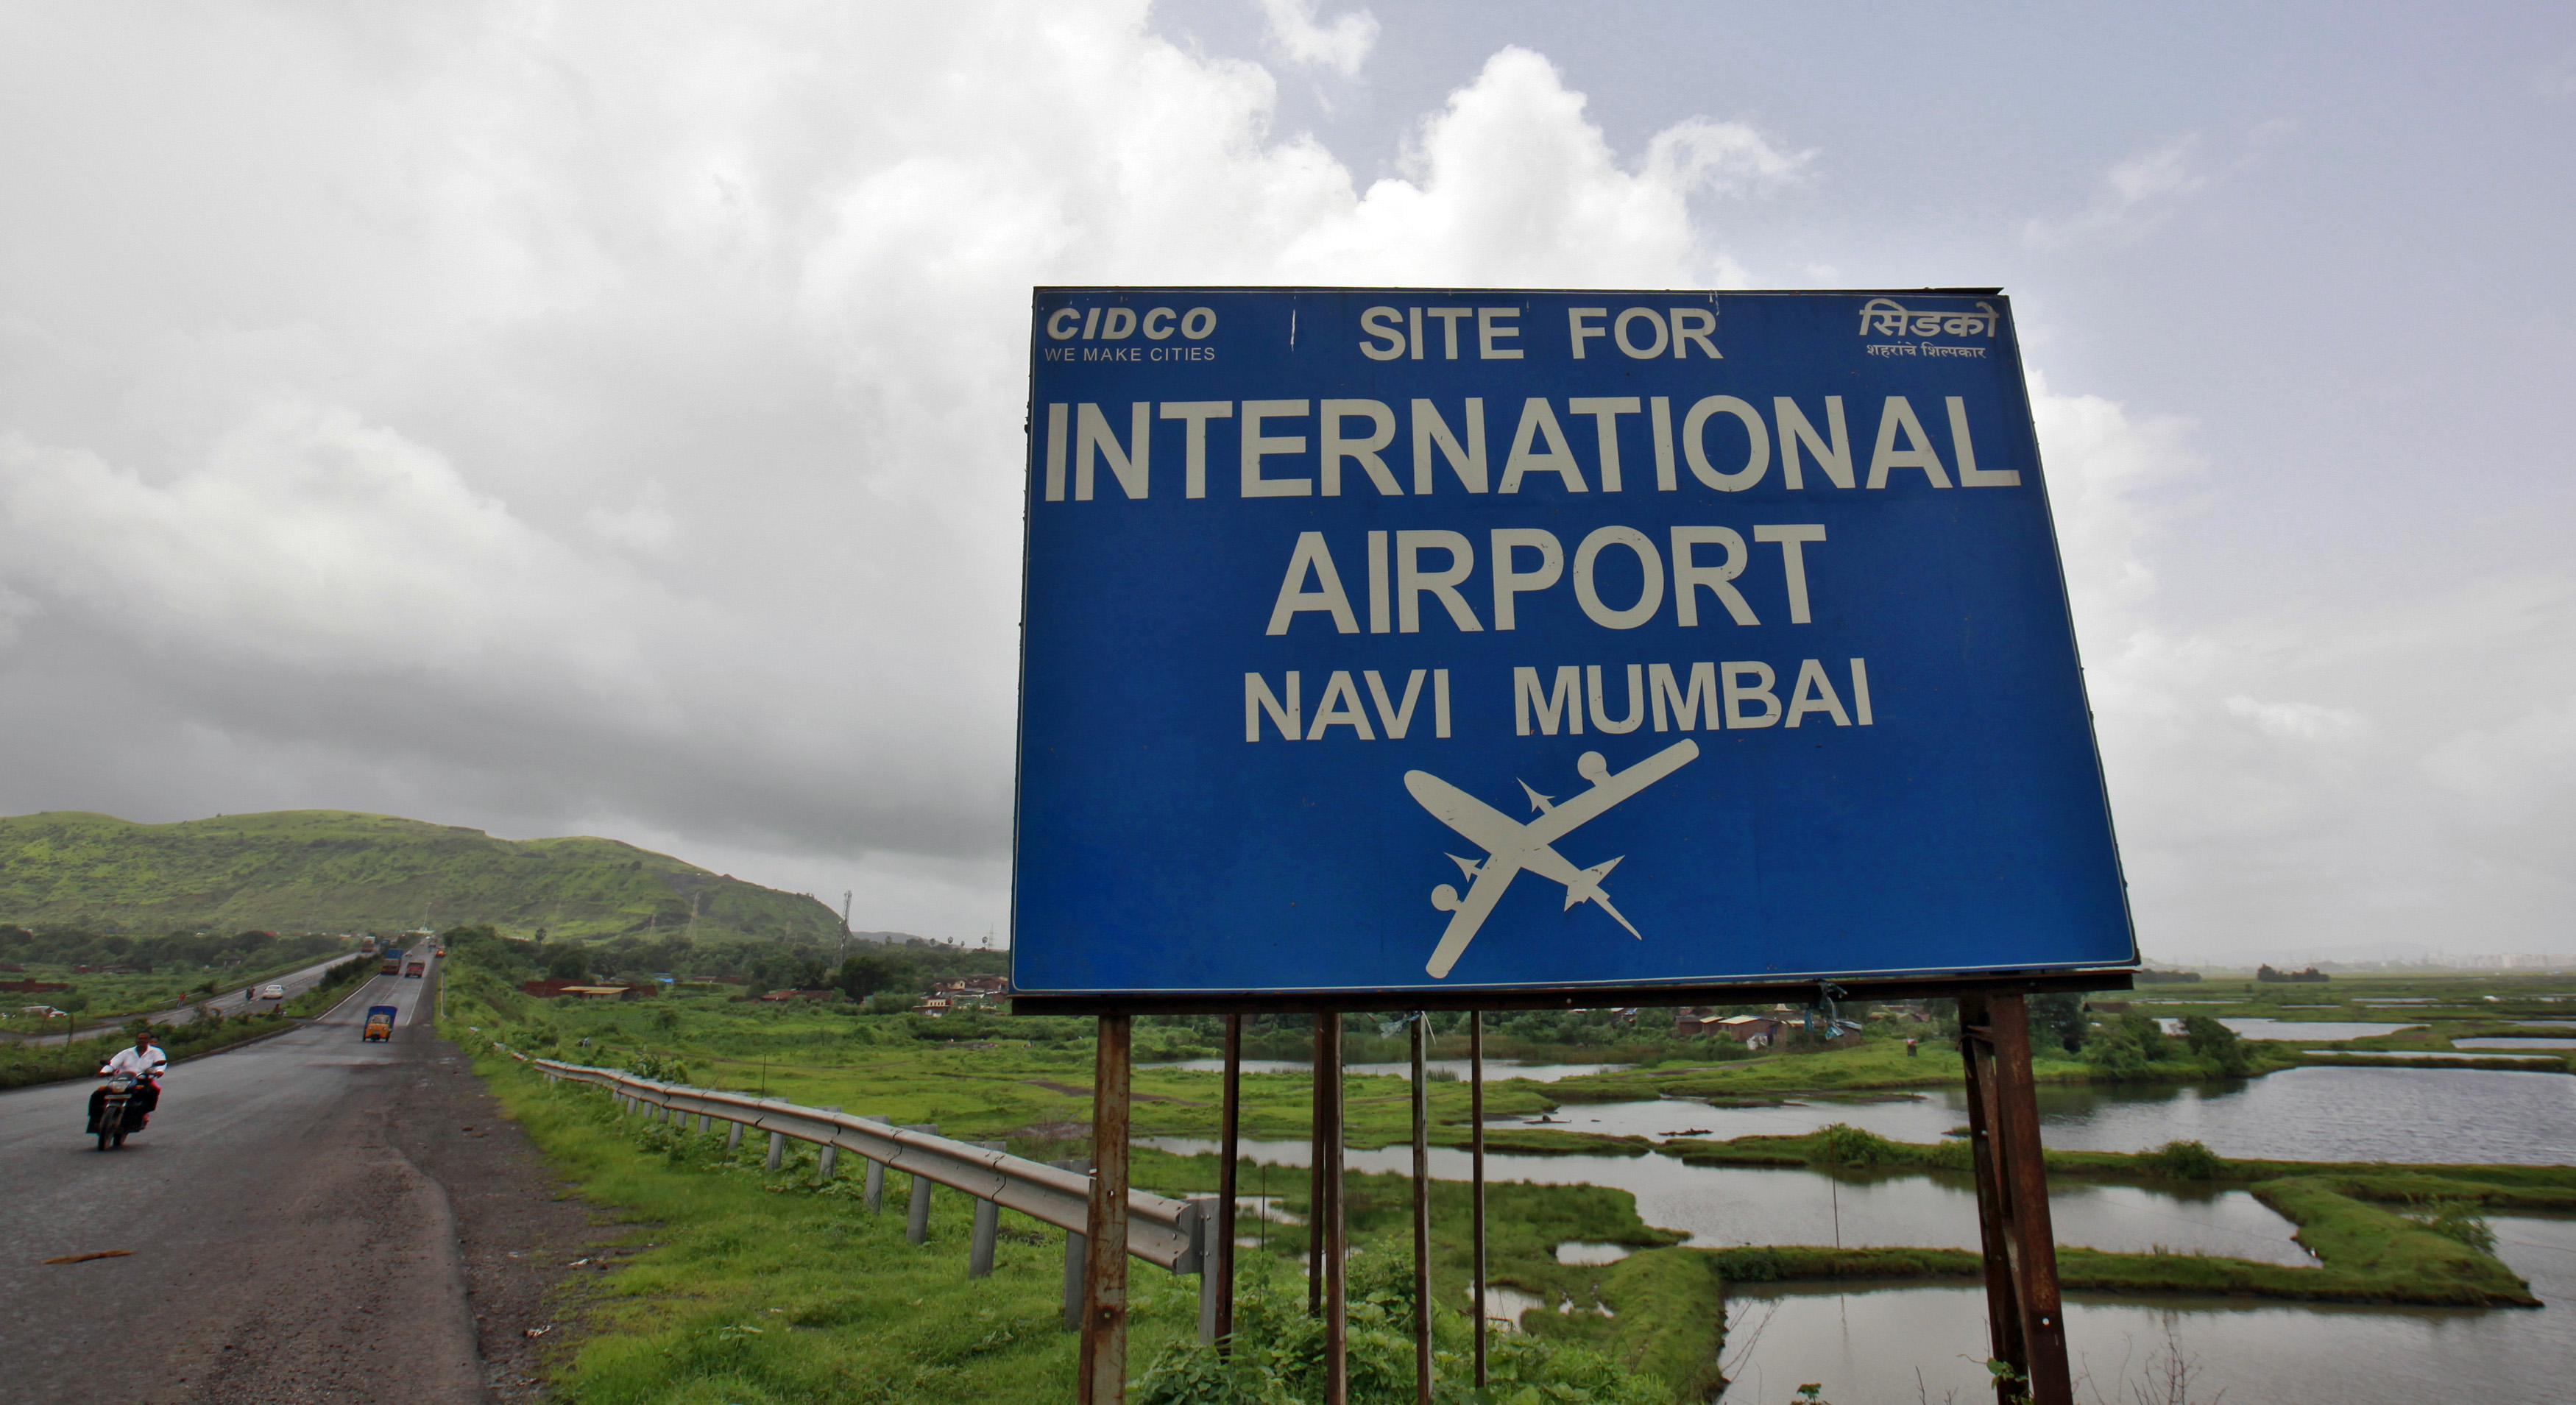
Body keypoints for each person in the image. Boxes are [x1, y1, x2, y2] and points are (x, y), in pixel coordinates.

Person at [90, 1030, 168, 1133]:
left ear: (149, 1040)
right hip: (122, 1080)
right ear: (136, 1040)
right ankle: (96, 1121)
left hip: (142, 1080)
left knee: (152, 1091)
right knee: (98, 1094)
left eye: (144, 1039)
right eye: (140, 1038)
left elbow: (161, 1064)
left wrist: (159, 1072)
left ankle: (142, 1115)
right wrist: (104, 1072)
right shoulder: (126, 1052)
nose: (142, 1041)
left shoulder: (156, 1052)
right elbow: (113, 1064)